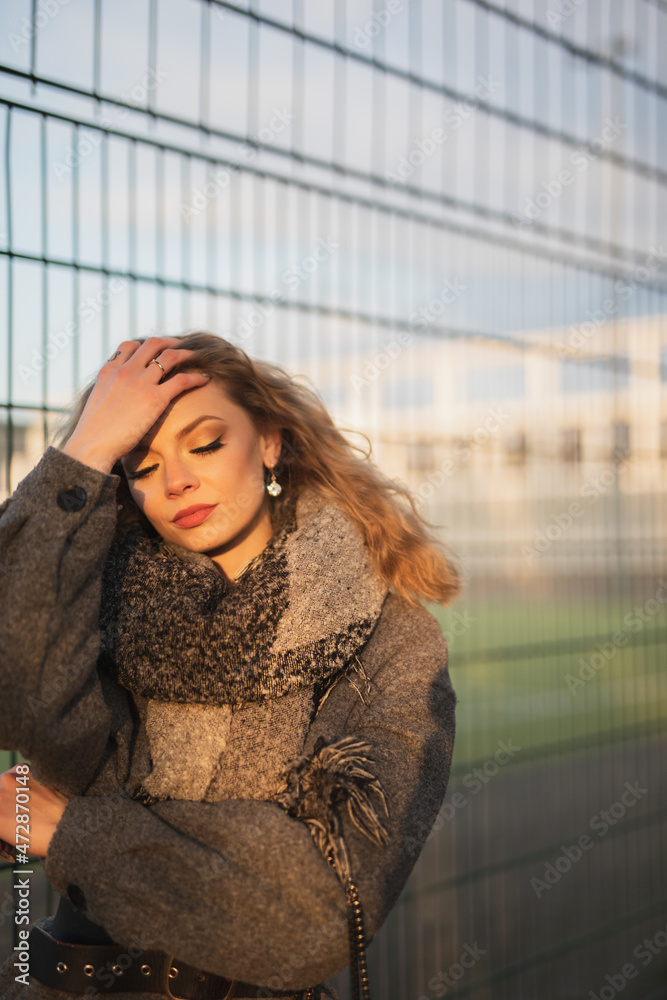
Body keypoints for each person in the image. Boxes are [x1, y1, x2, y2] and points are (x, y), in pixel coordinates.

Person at [0, 333, 460, 1000]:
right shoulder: (90, 609)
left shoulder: (392, 643)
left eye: (205, 442)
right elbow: (15, 691)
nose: (177, 479)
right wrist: (83, 454)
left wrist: (70, 830)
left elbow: (316, 921)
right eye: (141, 463)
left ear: (270, 442)